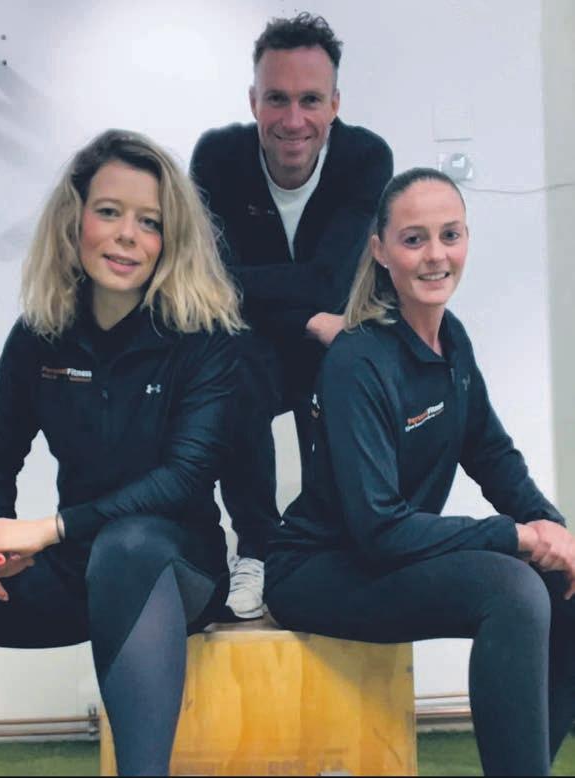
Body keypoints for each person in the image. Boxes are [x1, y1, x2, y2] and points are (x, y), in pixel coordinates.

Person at [265, 167, 575, 775]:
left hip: (386, 556)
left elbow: (493, 456)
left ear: (466, 240)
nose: (435, 255)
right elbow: (379, 528)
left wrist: (554, 530)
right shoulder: (357, 360)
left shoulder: (450, 340)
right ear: (381, 251)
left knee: (563, 587)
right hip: (318, 570)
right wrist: (517, 536)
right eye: (414, 239)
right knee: (510, 589)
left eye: (450, 235)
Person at [0, 129, 244, 776]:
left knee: (127, 546)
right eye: (109, 212)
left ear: (169, 239)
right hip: (76, 569)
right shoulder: (40, 333)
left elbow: (182, 479)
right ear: (75, 221)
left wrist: (50, 527)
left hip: (172, 570)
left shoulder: (204, 337)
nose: (128, 235)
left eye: (149, 221)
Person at [190, 12, 393, 619]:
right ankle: (255, 547)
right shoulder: (217, 157)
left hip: (336, 340)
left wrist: (263, 291)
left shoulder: (366, 157)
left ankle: (326, 548)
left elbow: (332, 280)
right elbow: (210, 282)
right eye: (277, 99)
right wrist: (306, 313)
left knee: (350, 363)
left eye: (310, 100)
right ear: (254, 101)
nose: (293, 119)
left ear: (335, 104)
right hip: (260, 345)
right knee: (232, 362)